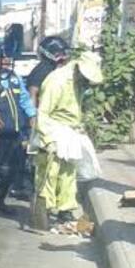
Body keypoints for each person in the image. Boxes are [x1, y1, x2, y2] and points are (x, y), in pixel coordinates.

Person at [34, 50, 104, 226]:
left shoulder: (79, 82)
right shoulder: (57, 81)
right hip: (53, 129)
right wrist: (48, 139)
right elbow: (43, 112)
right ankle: (45, 211)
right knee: (49, 173)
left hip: (70, 131)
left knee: (68, 172)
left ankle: (65, 209)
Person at [0, 48, 37, 213]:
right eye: (1, 57)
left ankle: (1, 201)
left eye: (7, 57)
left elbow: (24, 99)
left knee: (13, 168)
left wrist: (32, 116)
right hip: (0, 135)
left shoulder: (14, 78)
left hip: (16, 131)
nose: (5, 60)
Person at [26, 35, 70, 106]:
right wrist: (34, 115)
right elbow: (32, 93)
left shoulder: (59, 68)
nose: (64, 58)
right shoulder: (42, 70)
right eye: (60, 55)